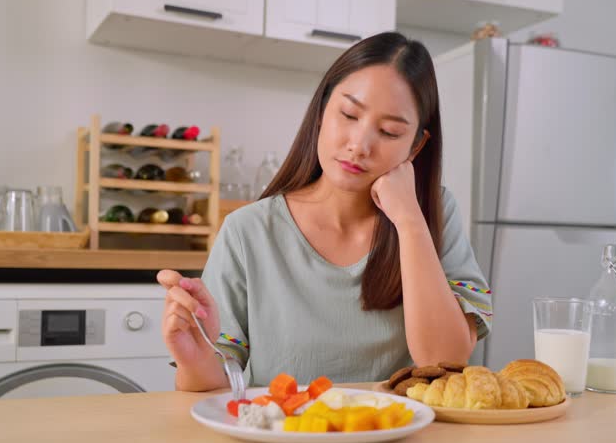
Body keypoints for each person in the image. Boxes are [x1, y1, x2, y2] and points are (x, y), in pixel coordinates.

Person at [157, 32, 492, 390]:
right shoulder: (247, 231)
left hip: (403, 428)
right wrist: (194, 359)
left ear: (415, 146)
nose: (359, 145)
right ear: (321, 111)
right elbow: (218, 387)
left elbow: (445, 362)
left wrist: (409, 222)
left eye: (390, 131)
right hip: (285, 427)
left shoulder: (433, 214)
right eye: (348, 114)